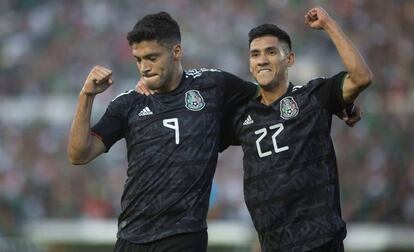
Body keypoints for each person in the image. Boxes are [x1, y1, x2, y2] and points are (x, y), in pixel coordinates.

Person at [67, 11, 258, 252]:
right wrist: (86, 96)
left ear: (176, 52)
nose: (144, 68)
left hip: (184, 235)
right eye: (138, 60)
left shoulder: (213, 85)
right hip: (132, 236)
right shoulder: (128, 104)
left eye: (152, 58)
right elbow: (78, 155)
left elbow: (263, 95)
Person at [225, 7, 373, 252]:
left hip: (319, 242)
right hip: (272, 245)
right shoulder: (242, 116)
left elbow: (361, 77)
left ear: (289, 59)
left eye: (271, 52)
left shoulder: (312, 97)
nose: (262, 59)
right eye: (255, 54)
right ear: (250, 64)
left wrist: (329, 24)